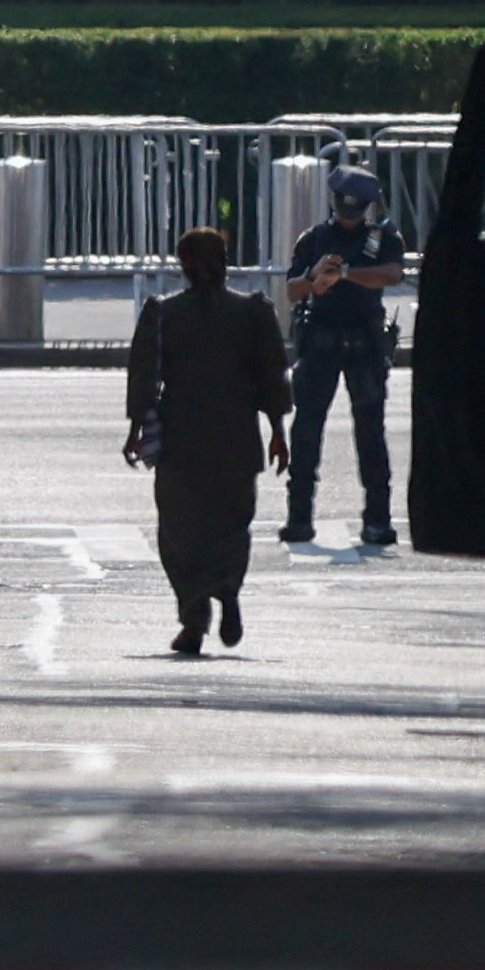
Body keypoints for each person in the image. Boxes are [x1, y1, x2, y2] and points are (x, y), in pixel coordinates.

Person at [126, 225, 290, 654]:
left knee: (179, 531)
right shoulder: (253, 311)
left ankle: (194, 616)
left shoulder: (163, 313)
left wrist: (136, 430)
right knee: (233, 524)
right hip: (237, 436)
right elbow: (273, 376)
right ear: (225, 262)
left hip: (182, 438)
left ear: (183, 265)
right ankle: (227, 588)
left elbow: (144, 375)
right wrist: (278, 433)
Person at [277, 162, 407, 547]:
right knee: (306, 431)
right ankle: (299, 516)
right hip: (322, 342)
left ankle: (377, 519)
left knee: (370, 433)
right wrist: (314, 278)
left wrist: (346, 274)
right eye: (344, 205)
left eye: (356, 207)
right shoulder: (315, 239)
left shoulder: (383, 236)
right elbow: (292, 290)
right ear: (334, 201)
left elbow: (392, 274)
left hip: (364, 344)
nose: (349, 213)